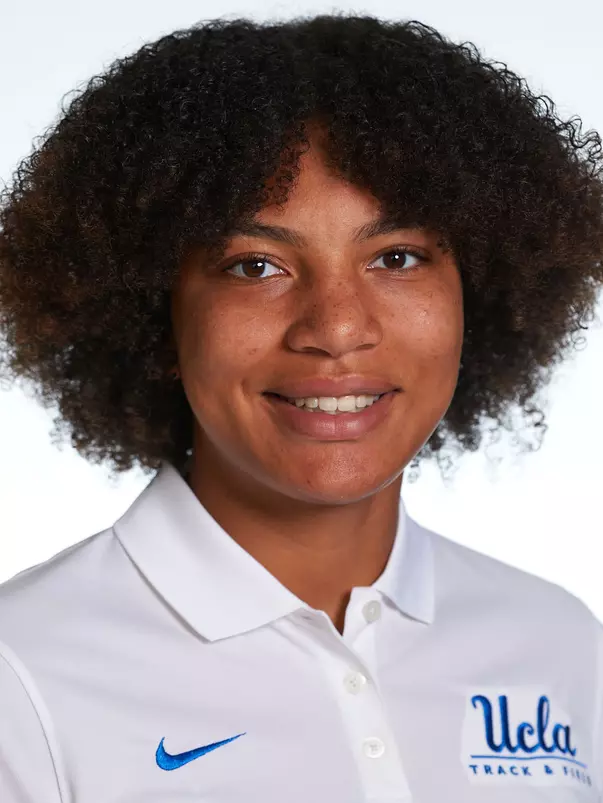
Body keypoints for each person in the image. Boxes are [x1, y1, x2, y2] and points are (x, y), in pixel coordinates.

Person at [0, 12, 602, 803]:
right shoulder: (25, 674)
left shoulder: (556, 643)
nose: (336, 328)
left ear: (478, 292)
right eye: (256, 266)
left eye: (396, 257)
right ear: (153, 309)